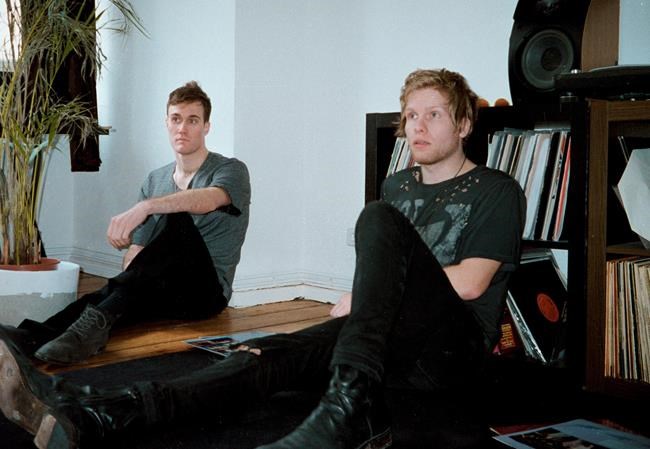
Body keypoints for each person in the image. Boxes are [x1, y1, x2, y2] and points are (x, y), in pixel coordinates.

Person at [0, 68, 524, 449]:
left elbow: (473, 282)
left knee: (376, 218)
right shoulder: (398, 184)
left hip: (451, 353)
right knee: (264, 354)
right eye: (410, 115)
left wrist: (368, 295)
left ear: (463, 124)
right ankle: (102, 413)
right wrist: (367, 299)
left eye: (433, 115)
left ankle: (345, 409)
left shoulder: (495, 189)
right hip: (386, 339)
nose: (417, 126)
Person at [6, 81, 251, 365]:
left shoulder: (230, 170)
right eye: (176, 119)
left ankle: (88, 328)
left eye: (192, 120)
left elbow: (209, 199)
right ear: (167, 123)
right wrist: (130, 282)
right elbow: (135, 256)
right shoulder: (155, 180)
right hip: (164, 292)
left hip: (205, 295)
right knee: (109, 293)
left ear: (206, 126)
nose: (182, 128)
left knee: (177, 219)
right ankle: (30, 336)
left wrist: (146, 207)